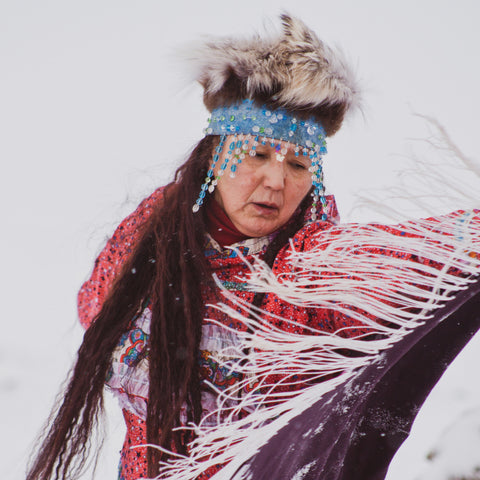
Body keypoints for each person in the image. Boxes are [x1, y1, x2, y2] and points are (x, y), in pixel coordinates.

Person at [27, 14, 480, 480]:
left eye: (300, 164)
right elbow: (94, 305)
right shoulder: (149, 236)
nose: (276, 180)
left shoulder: (317, 273)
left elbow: (423, 255)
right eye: (257, 154)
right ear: (213, 156)